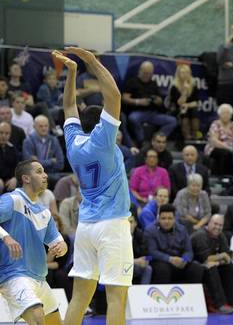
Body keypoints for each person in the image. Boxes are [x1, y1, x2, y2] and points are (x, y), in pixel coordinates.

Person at [53, 48, 133, 325]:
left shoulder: (74, 143)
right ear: (102, 124)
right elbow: (114, 95)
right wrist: (91, 61)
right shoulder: (103, 140)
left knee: (79, 298)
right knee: (116, 298)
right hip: (112, 226)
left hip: (86, 226)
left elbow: (68, 107)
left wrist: (72, 73)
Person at [0, 159, 67, 324]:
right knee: (38, 319)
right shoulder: (12, 199)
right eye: (39, 171)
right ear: (26, 178)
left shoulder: (45, 212)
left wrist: (61, 247)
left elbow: (58, 241)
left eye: (44, 171)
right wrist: (6, 237)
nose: (45, 175)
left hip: (39, 279)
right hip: (14, 275)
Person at [144, 204, 204, 284]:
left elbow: (188, 251)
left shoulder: (182, 229)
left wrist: (184, 260)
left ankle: (191, 295)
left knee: (196, 267)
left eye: (170, 218)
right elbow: (152, 252)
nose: (166, 221)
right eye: (163, 218)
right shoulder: (150, 230)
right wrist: (170, 259)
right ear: (158, 218)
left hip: (179, 261)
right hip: (160, 261)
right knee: (163, 269)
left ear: (175, 219)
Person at [190, 215, 233, 314]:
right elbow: (206, 258)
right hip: (194, 266)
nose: (218, 227)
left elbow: (227, 258)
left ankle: (230, 302)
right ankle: (220, 304)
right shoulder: (200, 235)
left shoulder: (221, 235)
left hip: (209, 264)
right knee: (211, 267)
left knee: (230, 268)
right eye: (215, 224)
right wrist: (221, 256)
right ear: (209, 223)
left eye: (220, 225)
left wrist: (218, 260)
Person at [122, 61, 177, 142]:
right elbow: (124, 98)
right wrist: (138, 101)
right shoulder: (132, 82)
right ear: (140, 71)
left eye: (149, 73)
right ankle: (142, 141)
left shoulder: (153, 83)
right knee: (133, 119)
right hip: (137, 112)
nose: (147, 75)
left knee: (172, 121)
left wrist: (158, 101)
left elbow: (160, 100)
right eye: (145, 73)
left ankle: (157, 139)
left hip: (153, 113)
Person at [204, 104, 233, 175]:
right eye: (223, 113)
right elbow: (214, 141)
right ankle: (222, 176)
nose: (226, 115)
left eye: (228, 113)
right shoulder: (215, 124)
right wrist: (229, 148)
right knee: (225, 153)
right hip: (215, 148)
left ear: (231, 115)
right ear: (219, 114)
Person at [168, 64, 201, 140]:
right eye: (183, 73)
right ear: (178, 74)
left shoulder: (193, 84)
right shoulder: (174, 86)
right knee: (184, 112)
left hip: (189, 107)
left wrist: (187, 105)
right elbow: (179, 103)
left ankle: (196, 135)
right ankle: (187, 137)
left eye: (187, 72)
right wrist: (185, 91)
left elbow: (196, 102)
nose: (185, 75)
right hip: (177, 109)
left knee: (195, 111)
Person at [0, 122, 20, 194]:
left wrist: (15, 178)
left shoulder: (12, 149)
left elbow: (17, 167)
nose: (4, 136)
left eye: (7, 133)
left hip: (9, 179)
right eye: (1, 133)